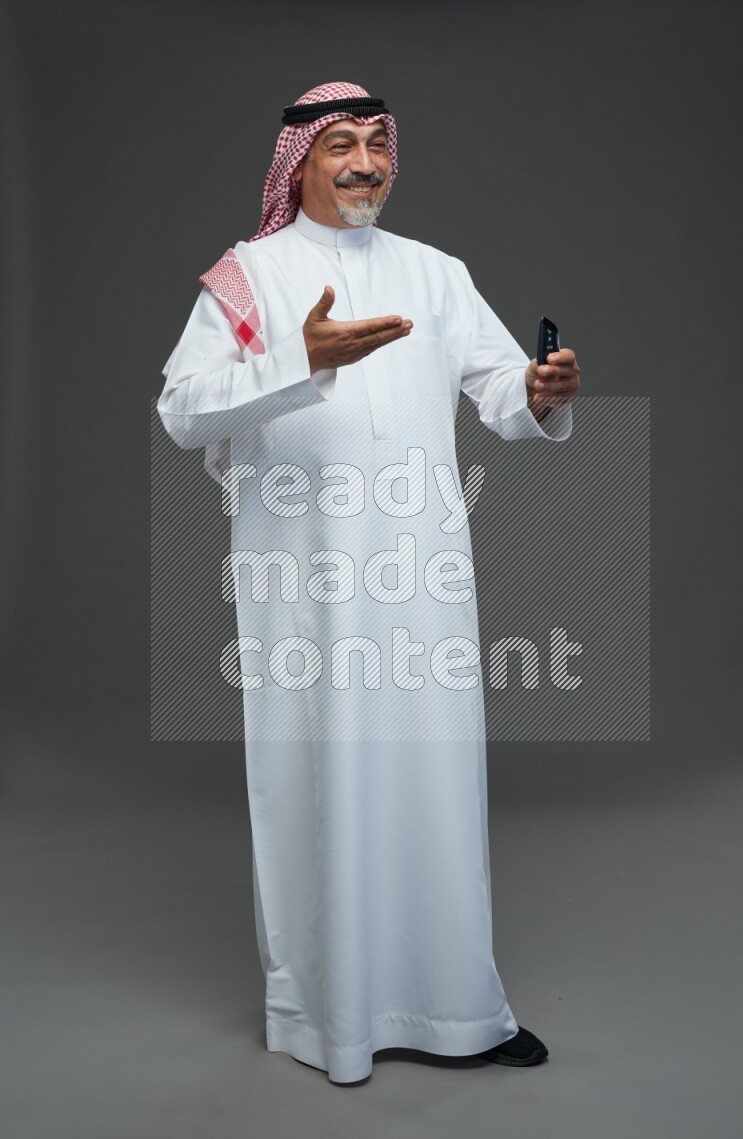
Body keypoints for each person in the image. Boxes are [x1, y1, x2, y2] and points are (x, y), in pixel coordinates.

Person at [157, 81, 580, 1084]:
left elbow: (495, 387)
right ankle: (329, 1017)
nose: (361, 163)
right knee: (322, 778)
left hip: (421, 579)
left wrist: (536, 389)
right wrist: (297, 358)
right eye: (337, 144)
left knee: (435, 782)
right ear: (295, 162)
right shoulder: (247, 280)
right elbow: (182, 410)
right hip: (304, 586)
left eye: (375, 145)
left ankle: (460, 1010)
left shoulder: (434, 274)